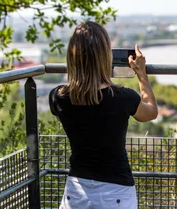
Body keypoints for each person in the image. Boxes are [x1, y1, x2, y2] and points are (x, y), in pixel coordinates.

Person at [49, 21, 158, 209]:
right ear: (105, 57)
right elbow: (151, 112)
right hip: (117, 192)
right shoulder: (124, 98)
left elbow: (84, 97)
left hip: (76, 193)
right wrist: (141, 75)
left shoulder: (58, 98)